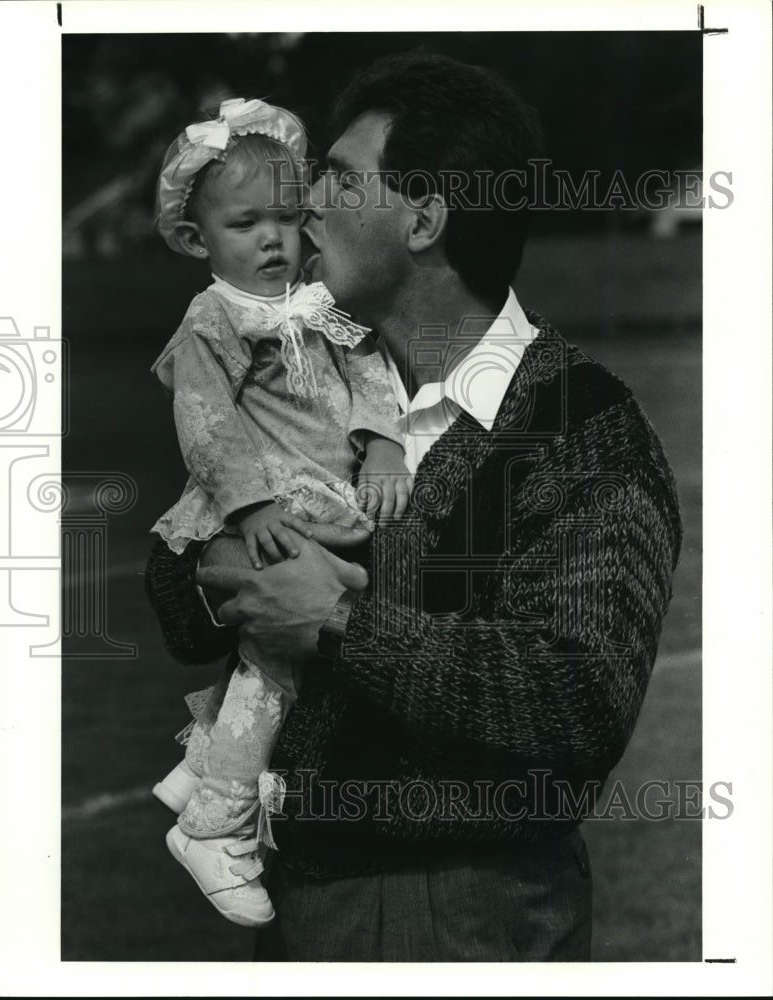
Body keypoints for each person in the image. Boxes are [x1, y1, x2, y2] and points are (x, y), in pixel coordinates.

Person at [146, 52, 683, 961]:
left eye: (342, 180)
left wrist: (338, 622)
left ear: (425, 219)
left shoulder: (581, 430)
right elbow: (184, 607)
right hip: (299, 902)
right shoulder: (308, 378)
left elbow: (576, 703)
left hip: (464, 915)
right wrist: (214, 571)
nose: (306, 204)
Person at [148, 97, 409, 928]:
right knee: (286, 651)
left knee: (295, 649)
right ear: (197, 241)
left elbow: (369, 371)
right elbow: (205, 420)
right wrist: (250, 502)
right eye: (245, 223)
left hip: (323, 494)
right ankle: (216, 822)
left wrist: (384, 445)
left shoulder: (311, 302)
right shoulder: (212, 320)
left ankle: (202, 765)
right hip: (265, 504)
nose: (272, 239)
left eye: (288, 219)